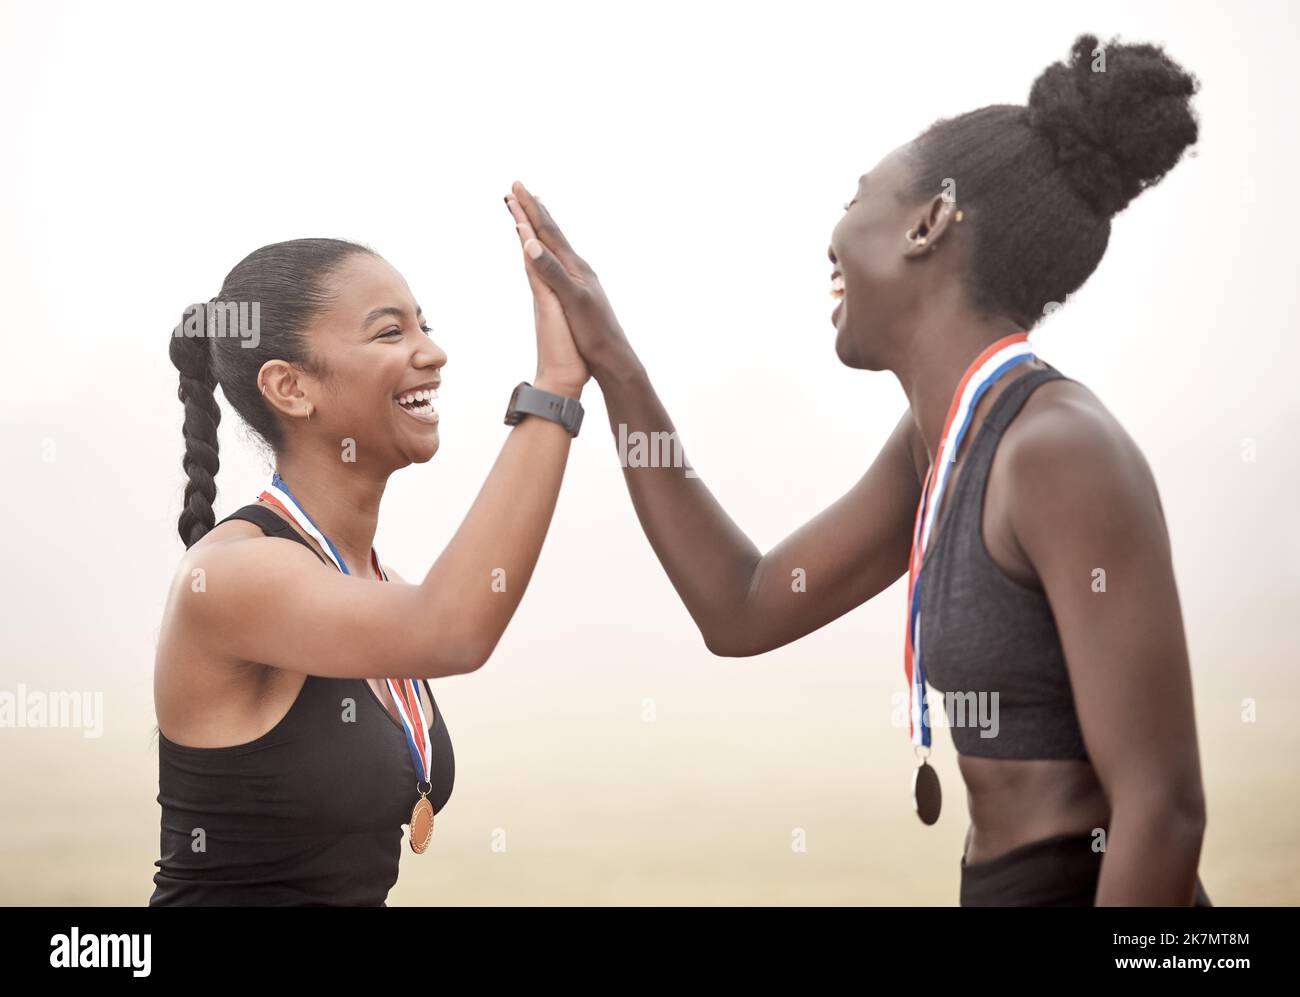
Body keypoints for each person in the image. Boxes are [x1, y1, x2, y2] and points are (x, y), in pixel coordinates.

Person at [511, 34, 1212, 906]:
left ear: (929, 223)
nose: (833, 236)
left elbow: (1163, 807)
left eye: (857, 198)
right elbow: (744, 604)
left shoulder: (1058, 452)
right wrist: (615, 363)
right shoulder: (941, 442)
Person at [150, 199, 588, 905]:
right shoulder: (232, 574)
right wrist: (557, 384)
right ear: (290, 387)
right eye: (390, 332)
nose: (432, 352)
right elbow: (452, 626)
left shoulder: (375, 587)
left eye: (426, 324)